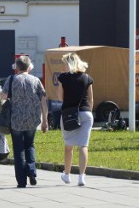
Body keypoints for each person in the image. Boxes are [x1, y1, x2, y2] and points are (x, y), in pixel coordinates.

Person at [1, 55, 48, 188]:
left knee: (18, 149)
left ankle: (21, 181)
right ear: (29, 67)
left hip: (16, 119)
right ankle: (32, 172)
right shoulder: (35, 80)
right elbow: (43, 101)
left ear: (17, 67)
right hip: (32, 119)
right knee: (30, 145)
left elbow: (3, 96)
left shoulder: (11, 79)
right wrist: (45, 121)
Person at [58, 52, 94, 187]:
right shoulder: (87, 78)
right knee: (83, 146)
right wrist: (88, 111)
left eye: (64, 63)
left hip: (69, 114)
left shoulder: (63, 78)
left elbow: (60, 97)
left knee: (69, 146)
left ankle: (67, 175)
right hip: (86, 114)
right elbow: (90, 99)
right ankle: (81, 177)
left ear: (68, 64)